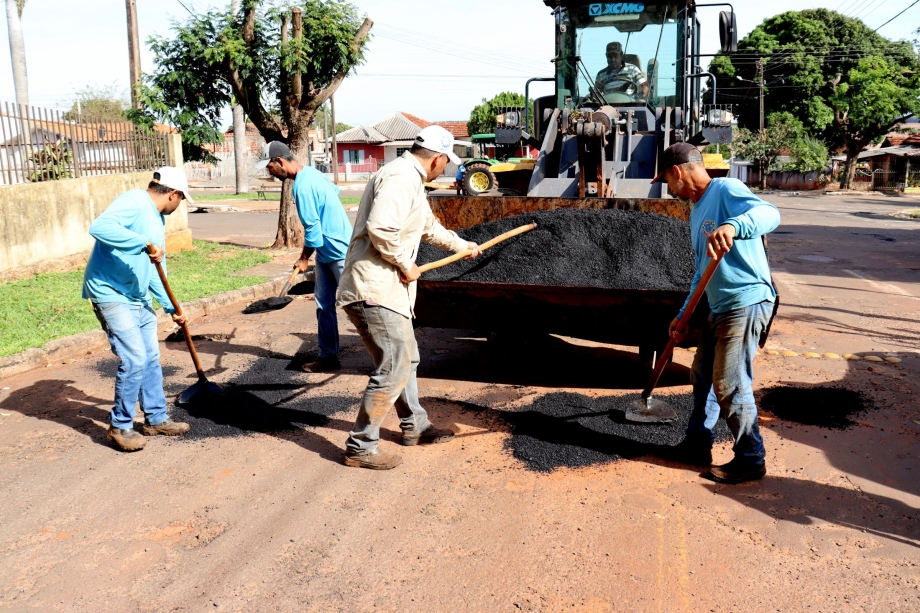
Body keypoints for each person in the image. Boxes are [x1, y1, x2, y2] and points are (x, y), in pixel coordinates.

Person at [336, 125, 482, 470]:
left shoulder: (411, 180)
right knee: (394, 365)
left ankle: (415, 426)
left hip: (387, 289)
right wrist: (405, 262)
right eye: (447, 163)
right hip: (375, 288)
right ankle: (360, 446)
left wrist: (463, 246)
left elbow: (428, 226)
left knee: (406, 360)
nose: (446, 169)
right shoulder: (401, 177)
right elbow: (380, 227)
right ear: (440, 158)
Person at [652, 143, 780, 484]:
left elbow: (770, 214)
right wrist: (684, 316)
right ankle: (697, 445)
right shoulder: (696, 211)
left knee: (730, 383)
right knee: (703, 377)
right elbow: (701, 271)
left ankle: (751, 458)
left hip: (746, 300)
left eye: (667, 180)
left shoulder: (726, 189)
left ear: (677, 172)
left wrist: (735, 226)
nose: (669, 188)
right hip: (716, 305)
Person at [82, 167, 193, 452]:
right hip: (111, 293)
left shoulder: (156, 218)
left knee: (151, 359)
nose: (179, 205)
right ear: (173, 194)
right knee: (134, 359)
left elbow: (156, 269)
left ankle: (155, 418)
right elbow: (100, 227)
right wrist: (142, 243)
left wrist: (171, 308)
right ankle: (120, 426)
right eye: (181, 199)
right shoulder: (134, 201)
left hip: (137, 297)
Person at [256, 141, 354, 373]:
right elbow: (335, 191)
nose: (269, 173)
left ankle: (386, 359)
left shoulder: (302, 186)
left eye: (269, 168)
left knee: (357, 306)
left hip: (339, 252)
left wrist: (303, 258)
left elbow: (313, 232)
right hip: (327, 252)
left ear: (279, 161)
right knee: (323, 305)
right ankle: (328, 356)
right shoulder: (312, 173)